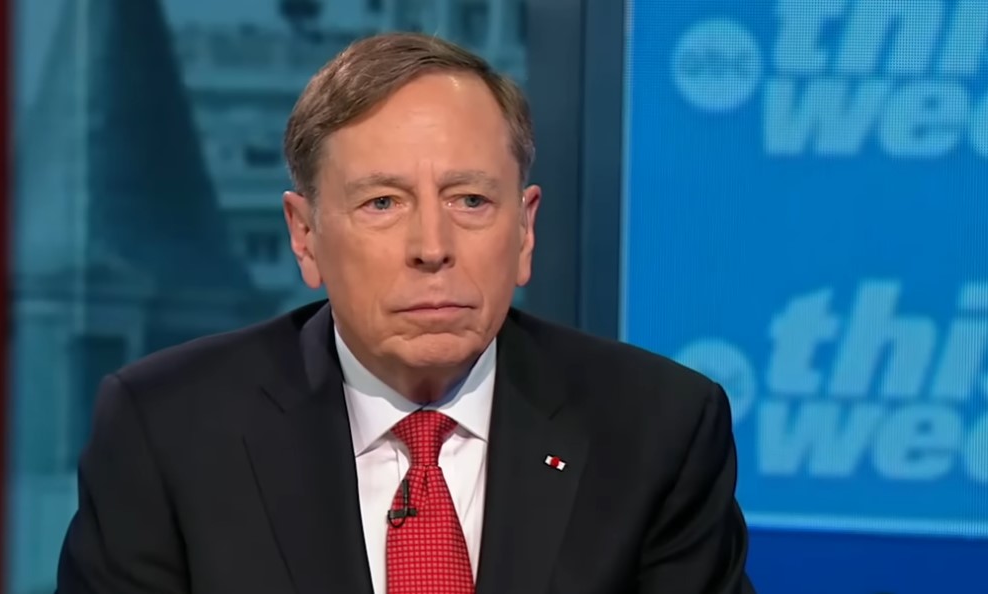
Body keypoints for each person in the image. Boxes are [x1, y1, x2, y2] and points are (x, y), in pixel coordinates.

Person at [56, 32, 756, 594]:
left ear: (524, 230)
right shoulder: (168, 430)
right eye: (382, 203)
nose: (431, 247)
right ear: (305, 235)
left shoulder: (656, 430)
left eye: (470, 201)